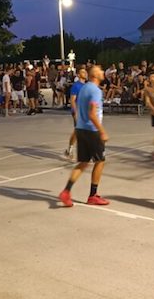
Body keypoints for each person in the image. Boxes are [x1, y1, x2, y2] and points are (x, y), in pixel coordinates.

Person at [58, 65, 109, 207]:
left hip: (80, 128)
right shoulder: (95, 91)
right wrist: (102, 131)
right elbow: (92, 114)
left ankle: (66, 191)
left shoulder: (84, 88)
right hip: (92, 130)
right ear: (95, 75)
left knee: (83, 162)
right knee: (100, 161)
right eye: (100, 71)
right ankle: (93, 195)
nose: (103, 72)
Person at [65, 67, 87, 160]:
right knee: (78, 132)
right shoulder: (76, 86)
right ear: (78, 75)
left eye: (85, 71)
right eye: (83, 72)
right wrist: (75, 112)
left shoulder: (87, 85)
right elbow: (73, 100)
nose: (85, 73)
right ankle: (70, 149)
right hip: (78, 111)